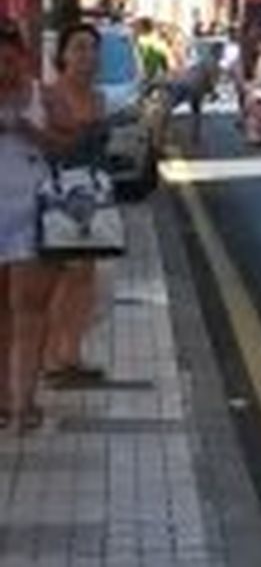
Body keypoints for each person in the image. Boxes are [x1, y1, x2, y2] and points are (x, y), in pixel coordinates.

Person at [41, 23, 108, 392]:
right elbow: (46, 146)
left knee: (87, 275)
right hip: (60, 194)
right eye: (79, 48)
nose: (87, 56)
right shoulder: (50, 96)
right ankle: (51, 357)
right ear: (63, 55)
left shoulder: (98, 98)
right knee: (64, 275)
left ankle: (72, 353)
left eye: (93, 49)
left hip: (95, 194)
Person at [0, 19, 52, 432]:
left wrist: (26, 127)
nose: (3, 68)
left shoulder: (41, 94)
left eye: (9, 58)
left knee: (29, 308)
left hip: (32, 212)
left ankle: (24, 403)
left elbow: (67, 145)